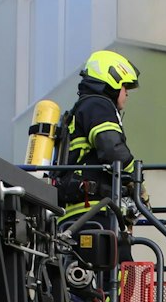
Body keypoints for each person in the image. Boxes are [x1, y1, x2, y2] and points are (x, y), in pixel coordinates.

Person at [56, 49, 144, 250]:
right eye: (124, 86)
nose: (127, 92)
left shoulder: (83, 108)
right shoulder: (98, 105)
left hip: (79, 215)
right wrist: (136, 180)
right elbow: (112, 148)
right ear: (111, 81)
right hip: (95, 213)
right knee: (120, 270)